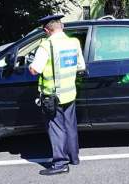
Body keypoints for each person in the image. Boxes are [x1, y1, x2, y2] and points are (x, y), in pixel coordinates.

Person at [29, 14, 86, 175]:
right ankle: (74, 157)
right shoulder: (73, 42)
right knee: (70, 126)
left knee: (56, 129)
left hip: (52, 96)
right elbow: (80, 66)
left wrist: (30, 65)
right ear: (62, 27)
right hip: (70, 93)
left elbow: (35, 70)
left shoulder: (46, 46)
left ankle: (60, 163)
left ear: (47, 30)